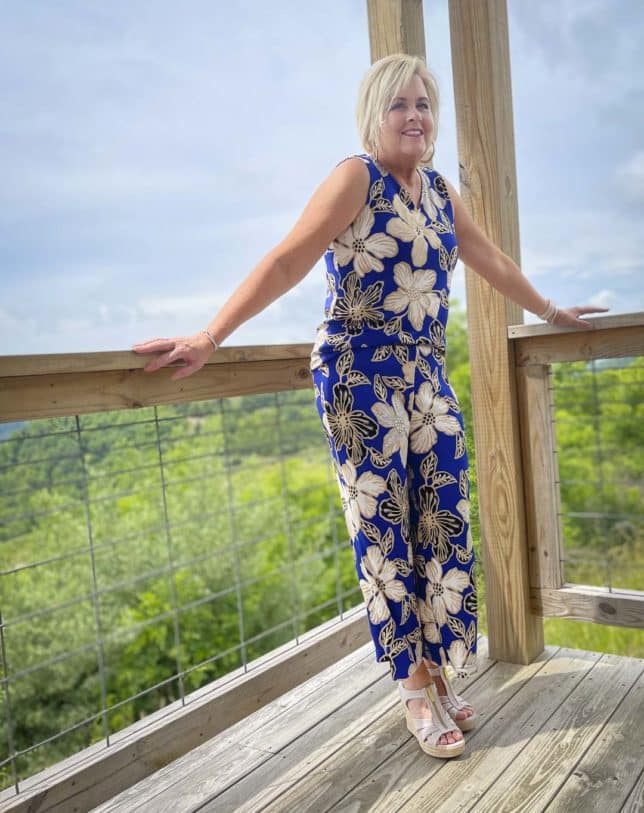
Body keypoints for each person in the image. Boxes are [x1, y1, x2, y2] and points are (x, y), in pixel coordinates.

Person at [133, 54, 607, 759]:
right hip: (359, 377)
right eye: (400, 104)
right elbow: (287, 260)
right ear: (374, 114)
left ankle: (441, 665)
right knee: (385, 532)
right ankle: (415, 686)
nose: (415, 115)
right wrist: (209, 334)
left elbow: (490, 260)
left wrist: (549, 308)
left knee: (442, 517)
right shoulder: (355, 177)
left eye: (424, 104)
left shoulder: (440, 192)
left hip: (425, 377)